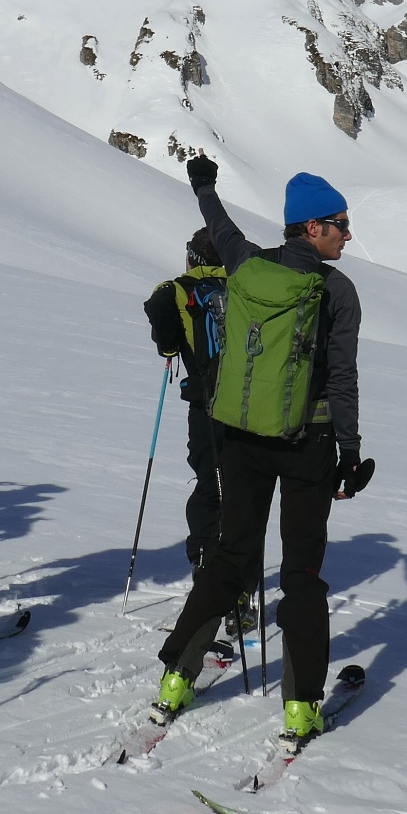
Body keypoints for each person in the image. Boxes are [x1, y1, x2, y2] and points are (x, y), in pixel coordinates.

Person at [150, 156, 368, 751]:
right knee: (301, 573)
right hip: (308, 443)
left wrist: (203, 184)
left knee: (229, 557)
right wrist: (350, 452)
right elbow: (342, 378)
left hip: (240, 438)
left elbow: (217, 223)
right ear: (313, 227)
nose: (348, 234)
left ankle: (175, 680)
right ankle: (299, 708)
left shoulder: (245, 264)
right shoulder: (337, 290)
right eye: (342, 224)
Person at [141, 229, 227, 568]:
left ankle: (206, 566)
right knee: (240, 491)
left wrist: (169, 346)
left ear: (193, 257)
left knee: (210, 484)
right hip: (251, 410)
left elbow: (167, 340)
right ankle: (240, 581)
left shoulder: (176, 290)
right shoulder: (244, 288)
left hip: (205, 406)